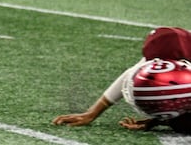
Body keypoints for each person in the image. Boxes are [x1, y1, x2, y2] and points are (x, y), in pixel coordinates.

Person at [53, 27, 191, 134]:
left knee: (182, 125)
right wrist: (92, 113)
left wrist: (162, 121)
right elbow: (130, 74)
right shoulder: (167, 53)